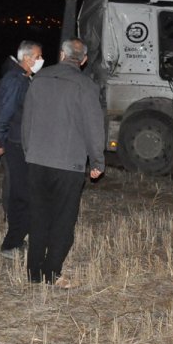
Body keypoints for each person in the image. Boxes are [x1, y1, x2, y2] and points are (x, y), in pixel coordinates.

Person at [22, 38, 104, 288]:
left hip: (37, 161)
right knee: (63, 220)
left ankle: (34, 272)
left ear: (60, 54)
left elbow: (27, 120)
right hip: (68, 165)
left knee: (38, 217)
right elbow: (94, 128)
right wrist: (97, 160)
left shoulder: (39, 79)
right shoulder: (86, 86)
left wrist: (29, 151)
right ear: (84, 60)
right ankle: (51, 272)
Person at [0, 40, 44, 259]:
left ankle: (17, 239)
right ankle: (10, 245)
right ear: (27, 58)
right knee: (20, 195)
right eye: (39, 56)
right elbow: (3, 115)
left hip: (20, 143)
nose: (41, 60)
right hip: (16, 144)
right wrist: (2, 142)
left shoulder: (22, 78)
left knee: (22, 193)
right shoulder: (15, 80)